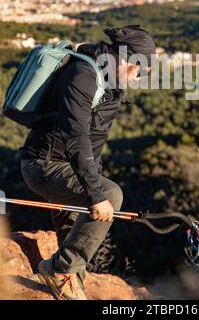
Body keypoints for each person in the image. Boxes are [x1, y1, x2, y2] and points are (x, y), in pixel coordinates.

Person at [20, 25, 156, 300]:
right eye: (140, 70)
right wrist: (95, 192)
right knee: (110, 194)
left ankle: (69, 282)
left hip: (70, 166)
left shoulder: (111, 83)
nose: (140, 77)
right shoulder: (83, 75)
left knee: (77, 233)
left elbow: (94, 143)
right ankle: (59, 271)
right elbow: (76, 137)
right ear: (126, 60)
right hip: (43, 165)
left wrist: (91, 184)